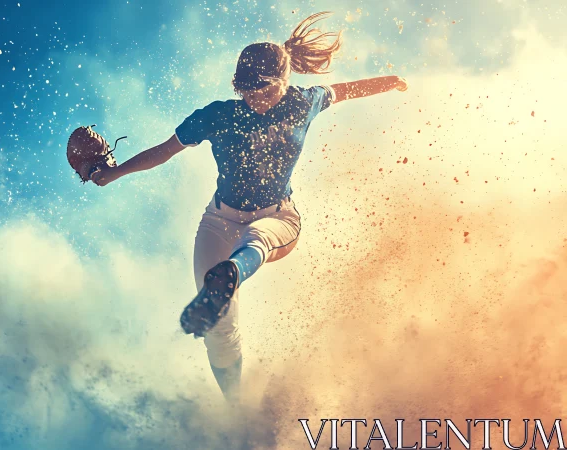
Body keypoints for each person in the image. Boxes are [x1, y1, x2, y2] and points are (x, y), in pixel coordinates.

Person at [90, 11, 408, 402]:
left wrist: (390, 82)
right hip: (219, 221)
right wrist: (113, 172)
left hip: (278, 218)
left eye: (263, 90)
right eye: (247, 90)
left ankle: (232, 272)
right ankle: (237, 410)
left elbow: (345, 90)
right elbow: (164, 151)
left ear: (284, 82)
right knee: (219, 331)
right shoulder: (217, 115)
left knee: (256, 238)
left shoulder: (303, 102)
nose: (254, 98)